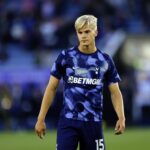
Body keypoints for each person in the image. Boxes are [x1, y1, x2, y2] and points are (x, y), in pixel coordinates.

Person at [35, 15, 125, 150]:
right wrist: (41, 119)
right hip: (68, 122)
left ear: (96, 32)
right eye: (80, 32)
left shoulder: (105, 60)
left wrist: (121, 117)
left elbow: (115, 92)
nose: (83, 36)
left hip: (93, 123)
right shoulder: (66, 56)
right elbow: (51, 88)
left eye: (87, 31)